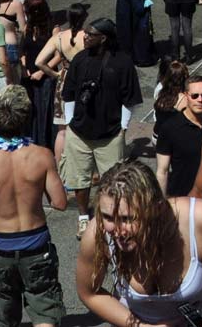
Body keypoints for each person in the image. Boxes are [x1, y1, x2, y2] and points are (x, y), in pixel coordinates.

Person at [75, 159, 202, 327]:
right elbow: (89, 293)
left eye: (128, 218)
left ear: (157, 208)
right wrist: (140, 326)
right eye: (108, 217)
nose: (118, 231)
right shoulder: (97, 233)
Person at [0, 86, 70, 327]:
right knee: (44, 310)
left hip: (1, 248)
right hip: (37, 245)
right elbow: (60, 203)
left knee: (2, 316)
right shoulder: (42, 156)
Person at [60, 19, 143, 236]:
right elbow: (68, 94)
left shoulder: (123, 63)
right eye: (85, 33)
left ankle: (107, 217)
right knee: (79, 179)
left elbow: (130, 99)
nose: (85, 37)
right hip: (79, 133)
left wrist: (122, 127)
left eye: (90, 34)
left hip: (110, 134)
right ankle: (83, 217)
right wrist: (70, 122)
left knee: (112, 182)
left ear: (103, 38)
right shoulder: (79, 59)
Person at [154, 64, 202, 197]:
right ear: (186, 96)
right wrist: (162, 202)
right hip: (182, 195)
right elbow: (162, 171)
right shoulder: (170, 128)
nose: (200, 100)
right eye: (195, 96)